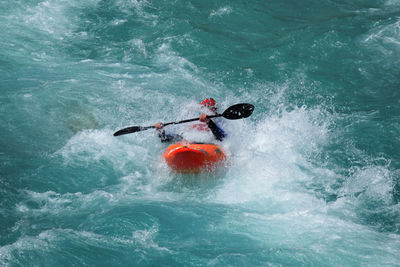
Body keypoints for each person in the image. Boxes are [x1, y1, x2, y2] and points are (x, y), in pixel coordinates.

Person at [154, 98, 226, 142]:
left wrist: (209, 122)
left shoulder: (218, 120)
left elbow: (221, 138)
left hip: (208, 144)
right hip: (188, 144)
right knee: (175, 137)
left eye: (210, 108)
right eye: (204, 107)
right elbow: (170, 138)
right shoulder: (193, 121)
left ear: (214, 110)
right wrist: (161, 131)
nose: (206, 110)